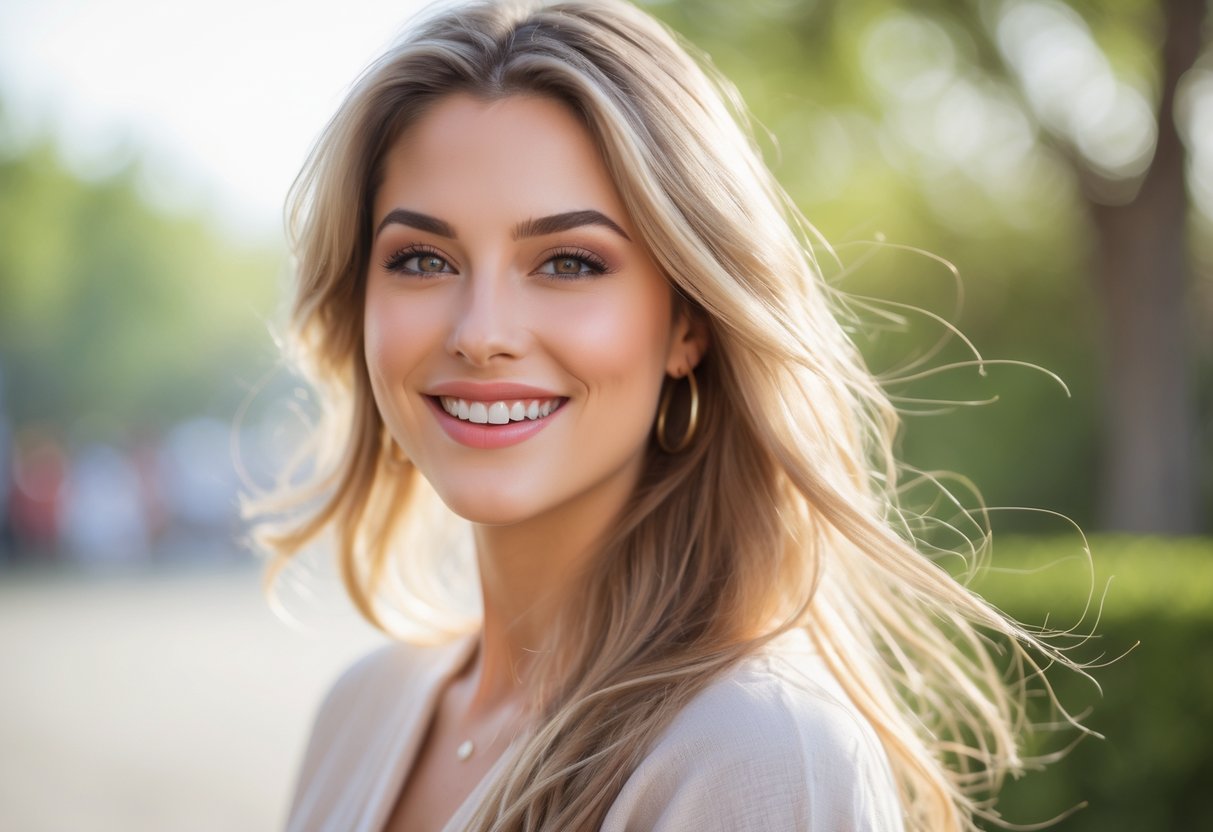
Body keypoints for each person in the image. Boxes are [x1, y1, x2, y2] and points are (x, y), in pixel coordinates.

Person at [248, 1, 1078, 829]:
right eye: (422, 259)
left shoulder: (755, 754)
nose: (481, 335)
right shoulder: (357, 716)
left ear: (687, 322)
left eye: (568, 262)